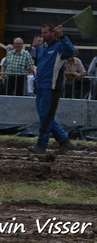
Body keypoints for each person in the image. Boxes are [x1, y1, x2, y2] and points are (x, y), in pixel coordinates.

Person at [28, 23, 76, 154]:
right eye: (42, 33)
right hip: (41, 86)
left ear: (52, 33)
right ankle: (65, 142)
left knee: (46, 116)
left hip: (52, 87)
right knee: (46, 116)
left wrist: (62, 36)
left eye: (45, 33)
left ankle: (41, 145)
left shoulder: (60, 47)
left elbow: (72, 51)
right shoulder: (42, 48)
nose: (42, 35)